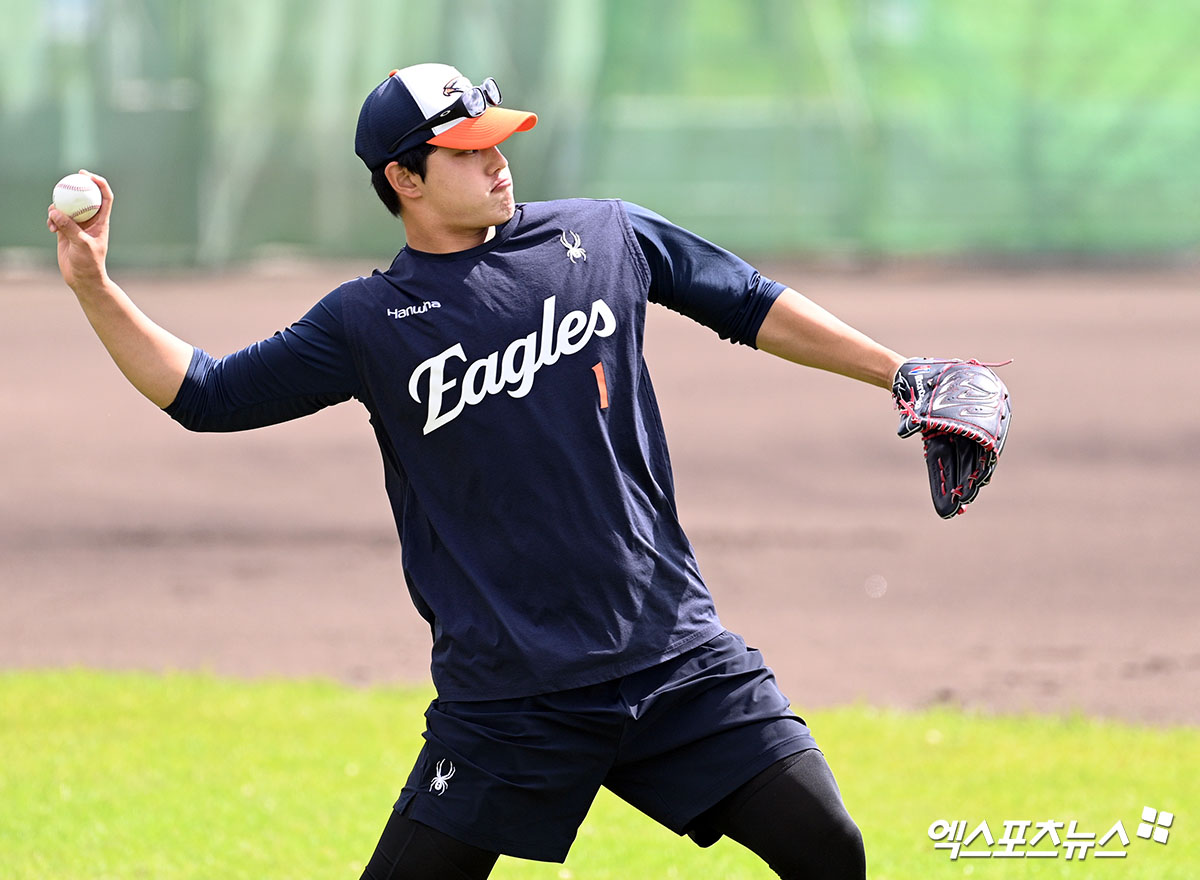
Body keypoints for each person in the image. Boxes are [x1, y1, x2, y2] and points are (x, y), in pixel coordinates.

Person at [48, 63, 907, 880]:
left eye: (497, 139)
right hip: (510, 699)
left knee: (829, 848)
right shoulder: (369, 320)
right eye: (469, 149)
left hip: (673, 659)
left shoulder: (603, 234)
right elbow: (206, 391)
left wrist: (903, 375)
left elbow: (750, 301)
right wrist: (93, 284)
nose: (498, 159)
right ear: (406, 179)